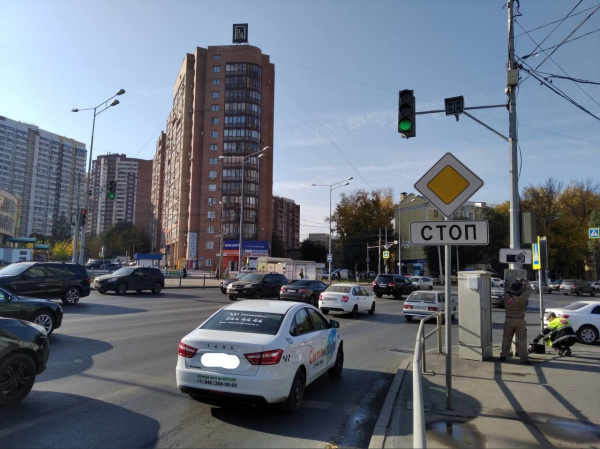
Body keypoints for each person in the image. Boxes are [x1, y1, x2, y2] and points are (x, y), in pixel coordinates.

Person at [500, 278, 533, 364]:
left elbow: (508, 288)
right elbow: (530, 290)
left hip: (508, 319)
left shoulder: (506, 295)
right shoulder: (521, 297)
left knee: (506, 338)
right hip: (519, 320)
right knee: (521, 339)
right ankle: (523, 357)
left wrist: (515, 281)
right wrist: (525, 283)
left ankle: (503, 355)